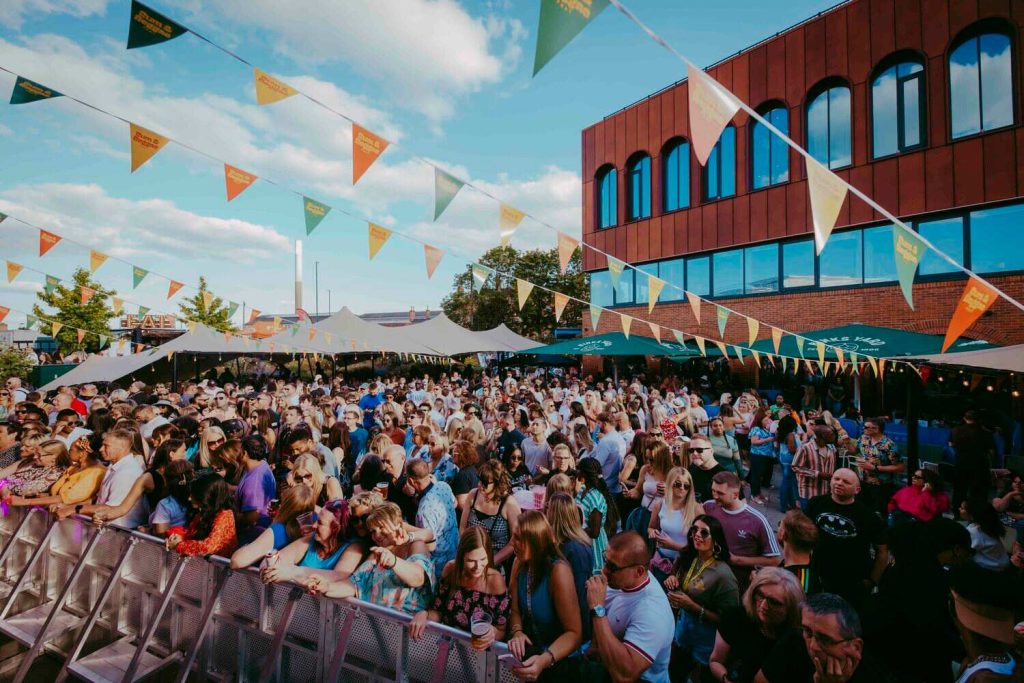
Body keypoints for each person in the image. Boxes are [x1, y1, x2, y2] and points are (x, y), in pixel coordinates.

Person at [305, 502, 434, 614]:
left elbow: (418, 578)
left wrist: (394, 562)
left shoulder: (415, 545)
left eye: (381, 527)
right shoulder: (375, 554)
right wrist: (327, 587)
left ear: (397, 524)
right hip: (372, 625)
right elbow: (354, 584)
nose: (377, 535)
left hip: (406, 626)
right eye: (373, 531)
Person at [584, 531, 675, 683]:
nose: (604, 570)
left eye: (612, 567)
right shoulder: (620, 581)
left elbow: (624, 676)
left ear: (639, 571)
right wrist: (594, 645)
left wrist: (597, 609)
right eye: (605, 560)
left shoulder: (652, 613)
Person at [506, 511, 583, 682]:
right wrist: (517, 632)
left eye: (518, 538)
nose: (511, 542)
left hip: (559, 664)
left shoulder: (558, 571)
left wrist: (545, 659)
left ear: (535, 541)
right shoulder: (518, 563)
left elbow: (574, 633)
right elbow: (514, 609)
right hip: (532, 658)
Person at [665, 515, 740, 682]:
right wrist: (672, 578)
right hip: (682, 632)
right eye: (694, 530)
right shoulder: (688, 555)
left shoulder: (724, 576)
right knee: (673, 673)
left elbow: (730, 622)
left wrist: (693, 607)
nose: (697, 535)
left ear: (716, 540)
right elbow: (675, 572)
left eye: (704, 532)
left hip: (705, 643)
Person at [409, 527, 510, 650]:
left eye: (483, 559)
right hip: (449, 648)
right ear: (462, 556)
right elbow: (439, 612)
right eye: (471, 561)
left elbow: (502, 630)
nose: (478, 566)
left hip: (480, 653)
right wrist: (424, 614)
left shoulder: (495, 581)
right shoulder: (451, 570)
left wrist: (493, 633)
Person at [754, 593, 887, 683]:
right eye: (808, 632)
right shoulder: (794, 641)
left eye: (825, 639)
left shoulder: (871, 676)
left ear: (855, 647)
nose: (812, 646)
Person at [804, 469, 888, 609]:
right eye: (836, 479)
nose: (839, 483)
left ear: (857, 490)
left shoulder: (868, 516)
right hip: (817, 574)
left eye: (846, 482)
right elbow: (800, 535)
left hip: (852, 581)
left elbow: (882, 551)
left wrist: (872, 581)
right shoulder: (815, 503)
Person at [708, 568, 805, 683]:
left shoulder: (797, 639)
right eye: (760, 595)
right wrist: (726, 679)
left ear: (791, 607)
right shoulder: (736, 617)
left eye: (774, 602)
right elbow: (715, 661)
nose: (763, 605)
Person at [703, 472, 781, 588]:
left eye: (720, 493)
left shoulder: (757, 520)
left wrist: (737, 560)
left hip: (738, 583)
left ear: (735, 494)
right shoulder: (708, 507)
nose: (715, 496)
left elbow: (775, 560)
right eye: (713, 491)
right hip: (708, 577)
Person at [260, 499, 364, 583]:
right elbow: (275, 560)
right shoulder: (312, 539)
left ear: (336, 529)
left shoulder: (354, 547)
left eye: (320, 523)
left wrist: (293, 572)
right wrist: (267, 569)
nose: (314, 525)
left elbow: (339, 576)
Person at [60, 429, 147, 528]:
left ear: (121, 448)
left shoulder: (127, 472)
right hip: (107, 529)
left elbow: (109, 508)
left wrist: (72, 509)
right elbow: (97, 500)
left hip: (119, 531)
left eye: (106, 446)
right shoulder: (115, 466)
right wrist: (68, 507)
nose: (101, 449)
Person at [544, 491, 594, 643]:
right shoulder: (563, 543)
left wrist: (577, 636)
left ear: (555, 515)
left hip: (571, 630)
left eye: (548, 509)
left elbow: (580, 594)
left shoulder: (575, 550)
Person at [229, 483, 316, 568]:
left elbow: (237, 561)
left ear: (285, 505)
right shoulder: (317, 523)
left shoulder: (279, 531)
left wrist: (246, 546)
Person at [461, 459, 520, 575]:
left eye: (484, 483)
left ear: (498, 483)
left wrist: (491, 561)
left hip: (496, 563)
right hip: (471, 558)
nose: (479, 485)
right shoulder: (473, 495)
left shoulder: (509, 503)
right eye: (479, 480)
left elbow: (515, 541)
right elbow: (462, 528)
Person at [407, 458, 460, 578]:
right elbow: (455, 503)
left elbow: (431, 546)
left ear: (411, 481)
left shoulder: (424, 511)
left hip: (440, 566)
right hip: (457, 551)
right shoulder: (443, 485)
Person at [648, 467, 701, 582]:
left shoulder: (696, 509)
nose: (682, 488)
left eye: (686, 486)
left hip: (685, 563)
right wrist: (652, 532)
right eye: (677, 484)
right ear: (670, 484)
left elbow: (702, 545)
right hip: (661, 560)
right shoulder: (660, 504)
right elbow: (651, 527)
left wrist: (674, 545)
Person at [166, 473, 238, 557]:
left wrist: (179, 545)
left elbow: (209, 547)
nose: (189, 498)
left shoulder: (225, 515)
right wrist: (175, 538)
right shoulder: (203, 513)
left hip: (218, 564)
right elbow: (190, 535)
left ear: (206, 496)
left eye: (194, 494)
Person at [575, 458, 618, 574]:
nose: (577, 472)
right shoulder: (583, 490)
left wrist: (575, 527)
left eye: (579, 470)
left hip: (594, 545)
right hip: (581, 538)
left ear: (584, 473)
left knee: (591, 574)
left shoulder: (595, 499)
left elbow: (595, 532)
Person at [853, 418, 903, 515]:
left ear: (876, 429)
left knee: (878, 513)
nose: (863, 428)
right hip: (862, 481)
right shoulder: (863, 438)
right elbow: (853, 451)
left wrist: (874, 468)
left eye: (866, 427)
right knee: (861, 510)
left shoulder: (889, 445)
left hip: (881, 485)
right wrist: (846, 442)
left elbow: (900, 467)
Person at [951, 410, 996, 512]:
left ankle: (957, 512)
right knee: (978, 492)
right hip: (979, 466)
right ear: (980, 420)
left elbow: (951, 444)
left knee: (959, 490)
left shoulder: (955, 430)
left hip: (961, 464)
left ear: (964, 418)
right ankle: (976, 513)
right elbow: (992, 452)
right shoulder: (986, 434)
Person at [792, 425, 837, 509]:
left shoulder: (832, 449)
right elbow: (795, 467)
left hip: (825, 493)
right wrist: (817, 474)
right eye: (830, 434)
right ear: (822, 436)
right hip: (809, 493)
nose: (834, 436)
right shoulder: (805, 448)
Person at [777, 510, 822, 595]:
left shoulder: (788, 582)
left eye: (780, 524)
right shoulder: (813, 567)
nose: (778, 527)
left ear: (782, 534)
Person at [961, 498, 1010, 571]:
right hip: (1001, 562)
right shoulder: (988, 525)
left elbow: (965, 551)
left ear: (972, 514)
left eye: (962, 508)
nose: (959, 509)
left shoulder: (975, 531)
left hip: (990, 568)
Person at [148, 460, 194, 536]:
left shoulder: (165, 505)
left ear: (166, 480)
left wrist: (147, 531)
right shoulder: (195, 500)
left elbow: (161, 536)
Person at [587, 412, 625, 496]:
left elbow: (596, 464)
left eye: (598, 423)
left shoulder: (605, 441)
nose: (597, 426)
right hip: (615, 487)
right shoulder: (620, 438)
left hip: (605, 487)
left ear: (604, 424)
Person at [747, 413, 775, 506]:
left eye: (768, 420)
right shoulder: (756, 429)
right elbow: (754, 441)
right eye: (765, 420)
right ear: (760, 420)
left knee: (760, 476)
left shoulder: (764, 428)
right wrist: (768, 439)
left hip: (765, 456)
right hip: (757, 455)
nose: (768, 421)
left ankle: (758, 493)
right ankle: (754, 495)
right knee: (756, 476)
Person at [688, 436, 726, 504]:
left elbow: (739, 504)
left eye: (699, 450)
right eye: (691, 450)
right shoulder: (691, 468)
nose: (694, 453)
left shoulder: (725, 476)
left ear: (711, 451)